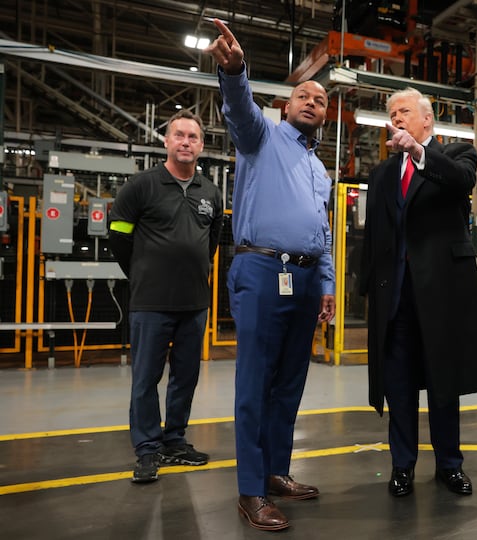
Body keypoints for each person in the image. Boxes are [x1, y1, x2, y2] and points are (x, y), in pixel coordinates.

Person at [204, 19, 335, 532]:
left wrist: (325, 284)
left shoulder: (318, 170)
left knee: (289, 383)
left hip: (303, 281)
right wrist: (236, 72)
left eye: (320, 100)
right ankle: (251, 490)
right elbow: (239, 108)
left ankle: (277, 471)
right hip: (261, 270)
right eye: (304, 95)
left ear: (325, 116)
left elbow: (321, 234)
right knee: (255, 383)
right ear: (287, 106)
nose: (311, 102)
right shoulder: (260, 138)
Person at [359, 87, 477, 498]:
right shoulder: (382, 173)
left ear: (426, 120)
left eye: (404, 111)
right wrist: (366, 288)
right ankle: (402, 466)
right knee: (398, 386)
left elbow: (461, 183)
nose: (397, 118)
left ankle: (449, 465)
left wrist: (418, 152)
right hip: (395, 294)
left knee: (442, 383)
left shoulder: (456, 154)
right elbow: (375, 234)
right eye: (392, 113)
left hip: (441, 294)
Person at [108, 109, 223, 483]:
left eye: (193, 137)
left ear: (201, 145)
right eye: (179, 135)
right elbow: (118, 236)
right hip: (150, 302)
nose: (186, 142)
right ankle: (147, 449)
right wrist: (142, 272)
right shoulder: (141, 186)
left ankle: (174, 439)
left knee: (185, 376)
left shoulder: (211, 192)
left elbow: (212, 243)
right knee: (145, 379)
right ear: (166, 141)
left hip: (194, 303)